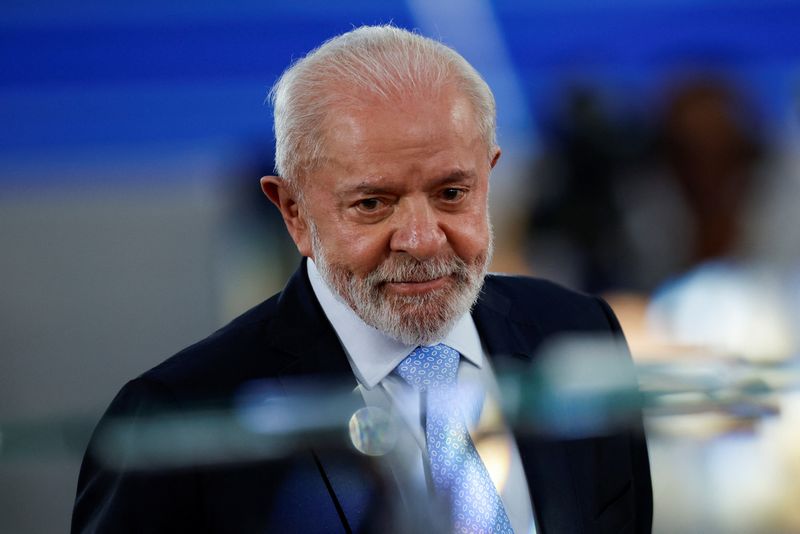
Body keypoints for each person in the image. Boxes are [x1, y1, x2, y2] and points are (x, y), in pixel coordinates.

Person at [72, 25, 652, 533]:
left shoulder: (578, 332)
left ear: (488, 177)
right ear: (293, 212)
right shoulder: (177, 418)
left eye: (452, 194)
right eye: (374, 204)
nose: (422, 240)